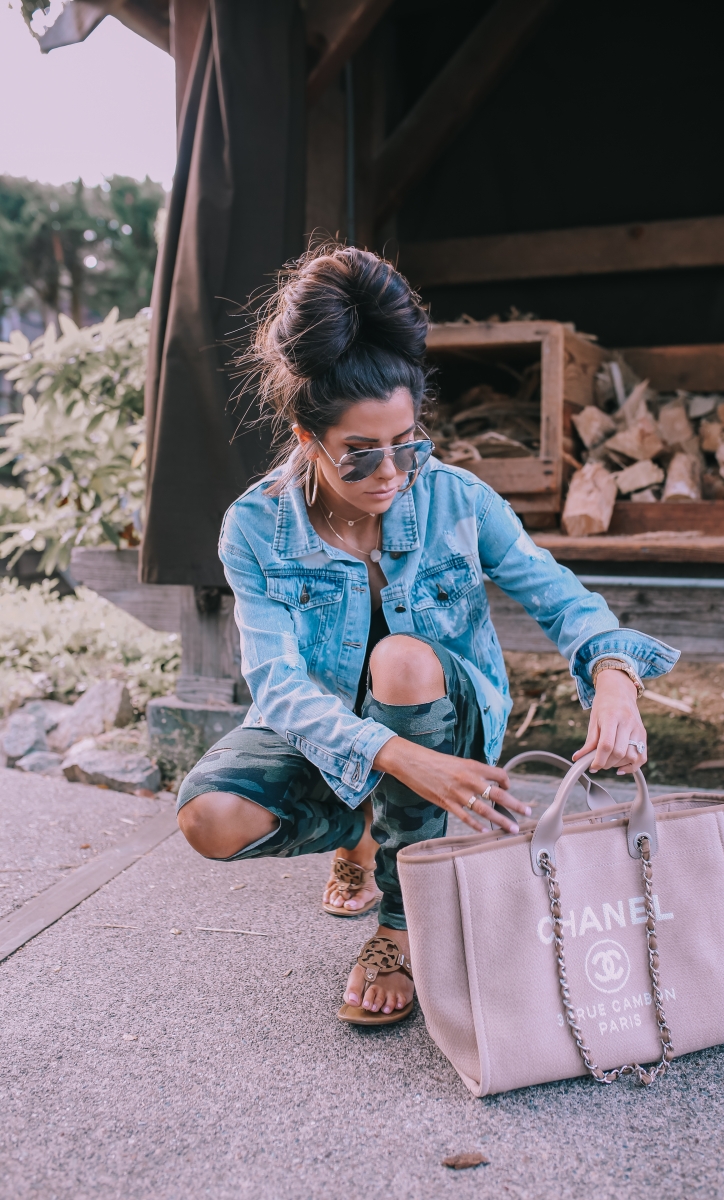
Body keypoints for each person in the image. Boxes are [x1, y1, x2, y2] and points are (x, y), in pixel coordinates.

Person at [175, 244, 679, 1026]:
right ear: (308, 440)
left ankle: (402, 925)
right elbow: (275, 685)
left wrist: (614, 674)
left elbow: (559, 597)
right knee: (209, 818)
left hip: (447, 713)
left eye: (407, 444)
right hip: (331, 730)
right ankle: (370, 826)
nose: (391, 473)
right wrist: (395, 760)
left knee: (403, 660)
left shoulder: (458, 499)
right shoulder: (255, 527)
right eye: (362, 453)